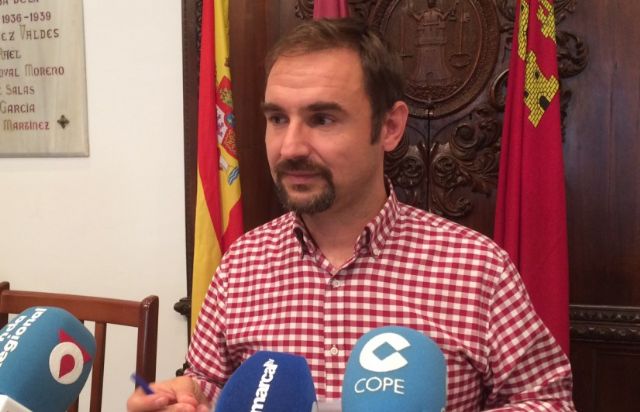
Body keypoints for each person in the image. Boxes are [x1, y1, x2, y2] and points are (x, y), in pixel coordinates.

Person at [127, 18, 575, 411]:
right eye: (278, 119)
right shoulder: (241, 264)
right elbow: (208, 383)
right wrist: (187, 396)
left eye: (322, 119)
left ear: (389, 127)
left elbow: (545, 400)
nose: (290, 147)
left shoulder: (477, 268)